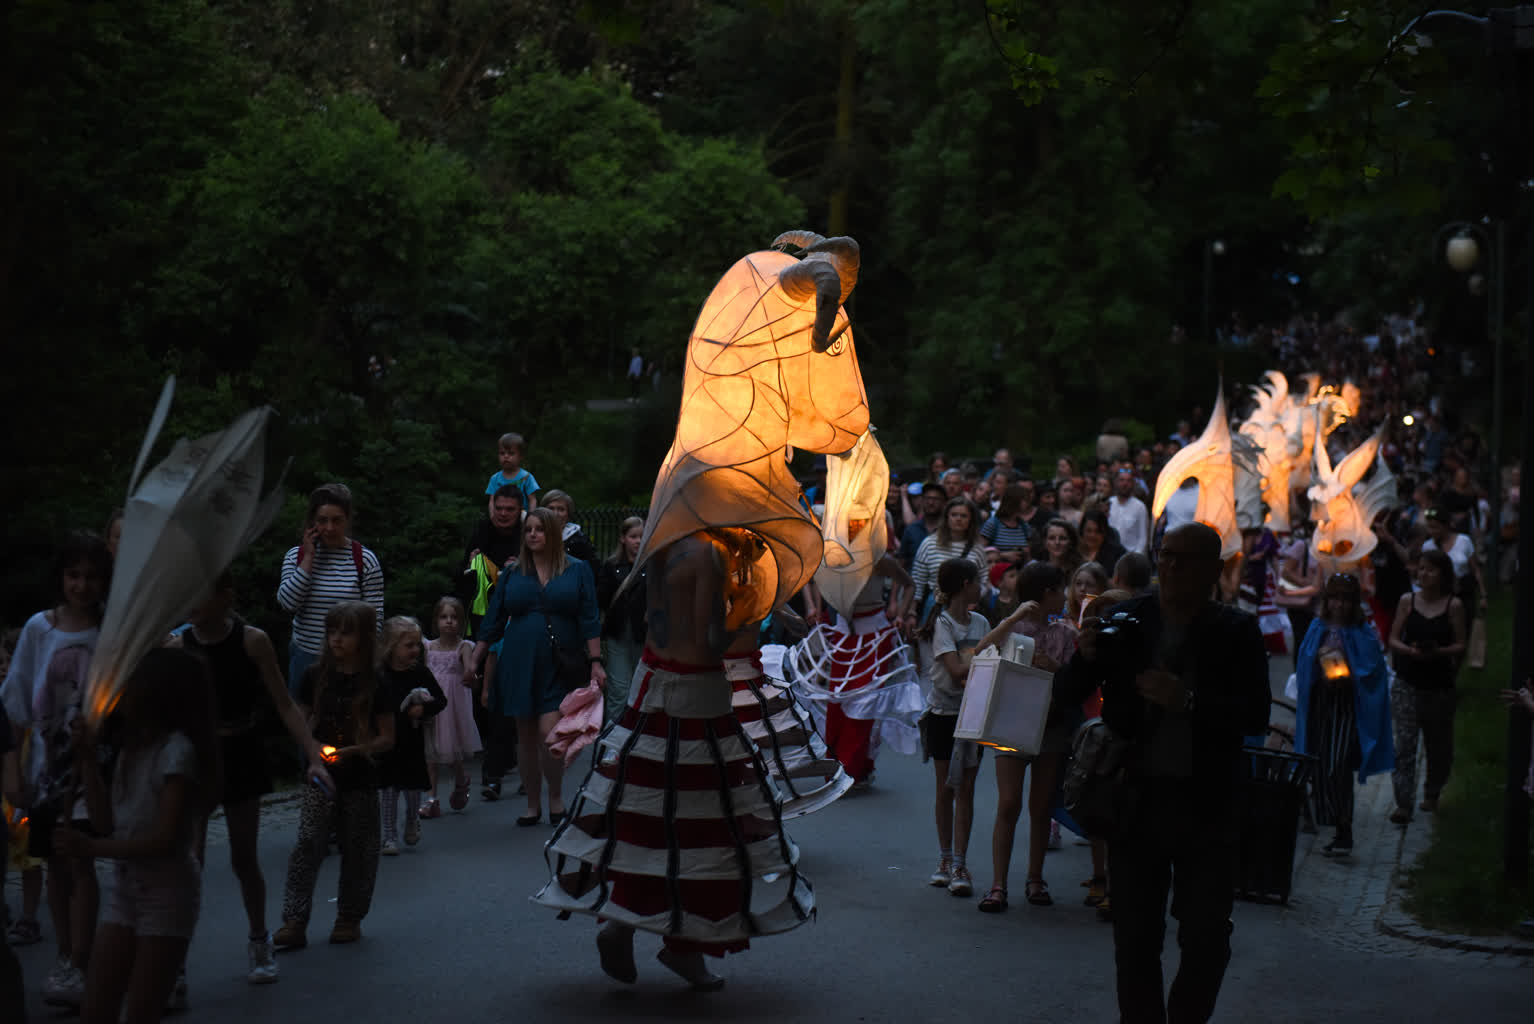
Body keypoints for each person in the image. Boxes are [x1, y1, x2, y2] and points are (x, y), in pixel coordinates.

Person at [534, 528, 814, 992]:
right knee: (704, 826)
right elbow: (709, 640)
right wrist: (745, 610)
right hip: (697, 698)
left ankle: (631, 929)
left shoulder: (666, 547)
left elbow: (651, 618)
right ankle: (680, 946)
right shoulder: (710, 555)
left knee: (648, 818)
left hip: (653, 690)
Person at [1056, 522, 1270, 1024]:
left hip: (1208, 806)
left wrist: (1189, 701)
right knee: (1134, 938)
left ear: (1214, 571)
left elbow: (1255, 715)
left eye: (1185, 559)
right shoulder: (1129, 618)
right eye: (1165, 555)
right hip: (1136, 801)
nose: (1171, 566)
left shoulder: (1235, 631)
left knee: (1206, 939)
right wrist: (1083, 658)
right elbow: (1069, 693)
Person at [173, 574, 334, 984]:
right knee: (190, 861)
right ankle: (173, 959)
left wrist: (314, 756)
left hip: (241, 750)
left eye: (201, 591)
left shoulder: (252, 641)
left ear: (225, 596)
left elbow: (284, 704)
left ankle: (259, 939)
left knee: (244, 857)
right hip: (198, 755)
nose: (192, 602)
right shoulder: (179, 645)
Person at [53, 649, 217, 1024]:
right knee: (96, 1008)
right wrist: (88, 760)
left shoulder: (177, 752)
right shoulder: (133, 749)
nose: (120, 693)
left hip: (167, 894)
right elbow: (104, 820)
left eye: (130, 685)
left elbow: (165, 840)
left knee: (142, 1013)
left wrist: (91, 848)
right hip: (127, 890)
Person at [0, 532, 111, 1008]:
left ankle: (82, 959)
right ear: (60, 578)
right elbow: (18, 703)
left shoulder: (109, 631)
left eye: (90, 576)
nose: (81, 586)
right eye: (73, 575)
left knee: (81, 857)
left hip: (95, 768)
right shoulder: (38, 630)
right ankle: (66, 954)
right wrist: (15, 772)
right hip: (47, 770)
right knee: (56, 864)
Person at [473, 507, 605, 827]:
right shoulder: (512, 574)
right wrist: (474, 660)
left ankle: (556, 797)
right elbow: (493, 621)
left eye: (540, 529)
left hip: (560, 660)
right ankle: (533, 804)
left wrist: (596, 661)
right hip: (519, 660)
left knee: (550, 732)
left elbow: (589, 618)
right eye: (528, 529)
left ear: (553, 534)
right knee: (526, 735)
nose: (533, 534)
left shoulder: (577, 570)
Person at [275, 601, 396, 949]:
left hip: (359, 774)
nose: (337, 640)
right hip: (320, 774)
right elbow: (300, 719)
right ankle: (295, 919)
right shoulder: (315, 675)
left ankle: (349, 916)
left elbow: (388, 738)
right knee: (308, 841)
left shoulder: (377, 682)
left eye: (346, 632)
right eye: (332, 632)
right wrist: (313, 751)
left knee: (359, 846)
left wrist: (356, 751)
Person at [975, 562, 1081, 912]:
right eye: (1060, 589)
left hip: (1050, 727)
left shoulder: (1066, 634)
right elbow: (980, 652)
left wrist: (1058, 670)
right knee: (1008, 804)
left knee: (1040, 806)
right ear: (1046, 593)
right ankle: (998, 884)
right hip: (1010, 722)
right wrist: (1012, 617)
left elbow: (1075, 681)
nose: (1065, 595)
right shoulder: (1013, 628)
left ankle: (1035, 878)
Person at [1294, 573, 1394, 856]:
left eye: (1345, 600)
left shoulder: (1362, 633)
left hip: (1348, 707)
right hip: (1321, 704)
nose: (1338, 605)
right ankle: (1332, 822)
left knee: (1338, 764)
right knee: (1320, 764)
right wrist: (1319, 669)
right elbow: (1304, 663)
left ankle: (1343, 827)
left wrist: (1348, 674)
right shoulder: (1317, 627)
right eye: (1334, 598)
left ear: (1354, 603)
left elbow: (1373, 671)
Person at [919, 558, 988, 900]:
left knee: (967, 791)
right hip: (944, 713)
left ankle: (961, 863)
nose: (982, 585)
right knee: (946, 788)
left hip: (974, 714)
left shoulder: (982, 621)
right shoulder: (943, 624)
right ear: (965, 584)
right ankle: (945, 859)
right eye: (978, 580)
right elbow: (958, 670)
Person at [276, 483, 384, 695]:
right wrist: (308, 558)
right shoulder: (295, 556)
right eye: (322, 520)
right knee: (303, 721)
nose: (329, 528)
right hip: (306, 655)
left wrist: (367, 657)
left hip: (350, 659)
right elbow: (287, 603)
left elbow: (375, 618)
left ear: (347, 520)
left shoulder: (365, 560)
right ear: (312, 522)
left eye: (337, 520)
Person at [1387, 549, 1466, 822]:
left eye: (1430, 569)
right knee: (1404, 746)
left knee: (1438, 745)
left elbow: (1460, 644)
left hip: (1439, 686)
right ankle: (1403, 803)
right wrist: (1409, 651)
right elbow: (1393, 639)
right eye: (1420, 568)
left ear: (1443, 575)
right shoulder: (1407, 601)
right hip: (1407, 682)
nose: (1423, 574)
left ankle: (1432, 794)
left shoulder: (1453, 605)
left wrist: (1439, 652)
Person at [375, 617, 446, 855]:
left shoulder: (420, 673)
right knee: (388, 789)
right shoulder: (380, 674)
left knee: (413, 788)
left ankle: (412, 821)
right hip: (387, 740)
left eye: (417, 644)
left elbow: (440, 700)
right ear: (391, 646)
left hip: (413, 741)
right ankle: (389, 836)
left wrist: (423, 709)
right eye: (409, 645)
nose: (415, 650)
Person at [419, 598, 481, 819]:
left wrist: (471, 677)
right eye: (444, 617)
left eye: (454, 618)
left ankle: (461, 779)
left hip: (453, 706)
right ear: (436, 621)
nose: (449, 622)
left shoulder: (463, 647)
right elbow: (423, 673)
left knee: (453, 749)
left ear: (461, 621)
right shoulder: (428, 647)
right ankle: (431, 799)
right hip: (433, 703)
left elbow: (469, 672)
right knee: (430, 752)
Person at [908, 497, 988, 630]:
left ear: (970, 520)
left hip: (967, 609)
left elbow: (984, 580)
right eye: (954, 515)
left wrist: (974, 601)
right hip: (935, 606)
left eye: (964, 516)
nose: (958, 519)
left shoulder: (977, 548)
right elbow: (918, 580)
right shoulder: (929, 544)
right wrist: (912, 612)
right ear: (947, 518)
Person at [596, 517, 648, 722]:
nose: (637, 541)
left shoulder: (653, 565)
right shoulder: (612, 566)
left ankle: (639, 735)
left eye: (642, 536)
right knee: (619, 689)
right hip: (618, 633)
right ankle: (613, 740)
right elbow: (601, 599)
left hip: (644, 633)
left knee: (642, 687)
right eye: (633, 536)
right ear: (623, 539)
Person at [460, 485, 523, 636]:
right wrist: (470, 565)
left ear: (520, 509)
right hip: (482, 611)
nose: (503, 513)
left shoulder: (527, 533)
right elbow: (461, 575)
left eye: (509, 509)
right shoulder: (482, 531)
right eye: (499, 508)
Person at [541, 489, 601, 575]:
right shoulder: (532, 536)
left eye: (561, 509)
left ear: (568, 515)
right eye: (551, 508)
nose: (555, 513)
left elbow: (593, 571)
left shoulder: (580, 541)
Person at [484, 431, 539, 514]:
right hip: (501, 515)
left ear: (521, 456)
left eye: (511, 453)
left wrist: (530, 518)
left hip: (522, 517)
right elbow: (492, 501)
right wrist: (492, 516)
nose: (506, 456)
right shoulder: (495, 478)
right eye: (502, 453)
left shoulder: (527, 477)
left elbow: (532, 500)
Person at [980, 484, 1034, 563]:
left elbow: (1029, 556)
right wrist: (1003, 555)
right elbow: (980, 551)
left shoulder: (1024, 526)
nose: (1027, 504)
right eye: (1025, 500)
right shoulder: (993, 524)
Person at [899, 482, 946, 572]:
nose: (931, 502)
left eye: (936, 499)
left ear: (943, 502)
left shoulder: (950, 530)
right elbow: (902, 562)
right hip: (914, 582)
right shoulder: (911, 530)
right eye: (927, 498)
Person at [1107, 467, 1151, 555]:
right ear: (1116, 483)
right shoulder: (1109, 503)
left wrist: (1136, 559)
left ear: (1133, 483)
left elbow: (1143, 538)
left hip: (1131, 557)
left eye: (1128, 480)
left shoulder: (1140, 507)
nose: (1125, 484)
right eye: (1121, 480)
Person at [1079, 507, 1127, 581]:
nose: (1093, 535)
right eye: (1089, 531)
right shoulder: (1074, 552)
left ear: (1105, 532)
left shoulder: (1118, 554)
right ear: (1082, 531)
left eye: (1098, 531)